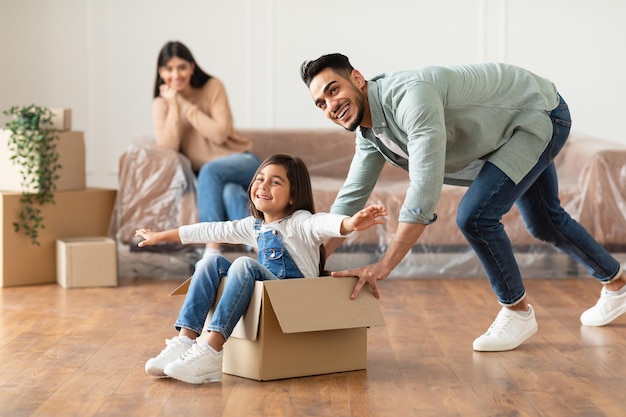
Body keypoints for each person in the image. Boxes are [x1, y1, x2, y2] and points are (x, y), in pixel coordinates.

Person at [300, 53, 626, 352]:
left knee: (475, 216)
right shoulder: (370, 134)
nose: (331, 105)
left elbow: (425, 187)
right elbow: (350, 198)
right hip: (506, 133)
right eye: (320, 103)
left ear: (357, 79)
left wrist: (384, 265)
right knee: (545, 221)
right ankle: (618, 285)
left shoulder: (412, 96)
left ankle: (517, 310)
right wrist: (308, 261)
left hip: (537, 115)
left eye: (333, 90)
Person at [137, 154, 387, 383]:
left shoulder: (299, 222)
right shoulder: (253, 226)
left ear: (292, 196)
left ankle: (212, 350)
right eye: (259, 179)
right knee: (209, 261)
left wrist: (350, 223)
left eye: (275, 182)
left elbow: (323, 222)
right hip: (269, 297)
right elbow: (210, 229)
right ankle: (185, 340)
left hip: (293, 298)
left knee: (245, 264)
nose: (263, 186)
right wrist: (161, 236)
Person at [153, 40, 261, 257]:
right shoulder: (161, 104)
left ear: (192, 67)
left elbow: (220, 133)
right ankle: (262, 248)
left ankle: (211, 249)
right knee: (229, 193)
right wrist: (173, 105)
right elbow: (168, 148)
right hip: (213, 179)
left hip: (244, 162)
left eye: (182, 67)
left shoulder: (212, 87)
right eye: (169, 69)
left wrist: (184, 104)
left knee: (210, 170)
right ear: (160, 72)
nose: (176, 75)